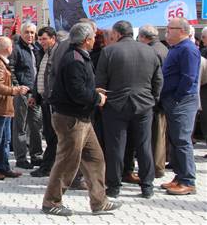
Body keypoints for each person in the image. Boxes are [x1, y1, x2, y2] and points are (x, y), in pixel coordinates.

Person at [42, 22, 121, 216]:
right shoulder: (74, 59)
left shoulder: (79, 56)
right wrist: (97, 98)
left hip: (81, 118)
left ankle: (99, 201)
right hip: (71, 119)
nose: (96, 39)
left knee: (95, 159)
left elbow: (78, 87)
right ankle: (51, 202)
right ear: (86, 40)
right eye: (94, 36)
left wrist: (92, 91)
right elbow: (77, 92)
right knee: (67, 162)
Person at [95, 20, 162, 199]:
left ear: (116, 34)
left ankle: (114, 187)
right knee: (144, 146)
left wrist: (103, 102)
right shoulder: (150, 50)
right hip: (144, 105)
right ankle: (147, 186)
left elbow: (100, 82)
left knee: (115, 147)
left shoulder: (109, 51)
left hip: (116, 105)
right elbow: (158, 80)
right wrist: (153, 99)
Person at [160, 17, 200, 195]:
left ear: (182, 30)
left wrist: (176, 98)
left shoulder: (188, 49)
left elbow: (189, 78)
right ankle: (179, 176)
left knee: (182, 141)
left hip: (182, 101)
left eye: (170, 29)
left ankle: (188, 180)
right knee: (176, 140)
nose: (167, 31)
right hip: (173, 100)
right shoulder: (177, 48)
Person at [0, 36, 28, 181]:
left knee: (4, 140)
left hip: (1, 107)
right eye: (11, 47)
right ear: (8, 49)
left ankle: (3, 167)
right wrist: (16, 90)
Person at [10, 22, 43, 169]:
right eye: (27, 32)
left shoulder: (37, 48)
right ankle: (21, 157)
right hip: (22, 93)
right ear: (22, 33)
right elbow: (10, 69)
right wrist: (18, 87)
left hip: (35, 93)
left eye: (32, 33)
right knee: (20, 126)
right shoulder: (16, 49)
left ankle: (36, 155)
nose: (30, 35)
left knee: (36, 125)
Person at [137, 24, 169, 178]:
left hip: (155, 99)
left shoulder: (153, 51)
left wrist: (154, 98)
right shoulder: (162, 48)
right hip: (160, 98)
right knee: (159, 134)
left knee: (156, 136)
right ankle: (157, 166)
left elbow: (157, 79)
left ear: (143, 37)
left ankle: (156, 168)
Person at [31, 26, 59, 178]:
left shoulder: (57, 54)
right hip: (45, 100)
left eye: (44, 39)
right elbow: (40, 77)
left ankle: (47, 166)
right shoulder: (44, 53)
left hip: (52, 101)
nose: (41, 42)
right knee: (49, 134)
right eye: (40, 39)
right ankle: (48, 165)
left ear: (53, 38)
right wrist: (35, 95)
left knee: (52, 136)